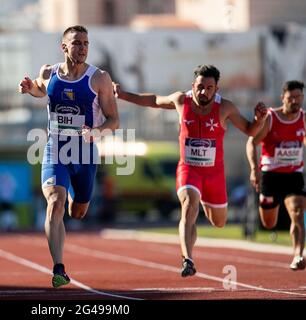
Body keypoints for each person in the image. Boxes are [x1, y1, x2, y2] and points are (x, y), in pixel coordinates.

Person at [113, 64, 267, 277]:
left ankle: (203, 199)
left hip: (214, 175)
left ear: (216, 89)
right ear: (192, 85)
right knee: (189, 205)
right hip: (189, 169)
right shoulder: (180, 100)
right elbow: (154, 100)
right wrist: (122, 95)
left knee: (219, 222)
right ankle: (188, 259)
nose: (204, 92)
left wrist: (259, 120)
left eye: (209, 88)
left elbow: (250, 130)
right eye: (200, 87)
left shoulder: (226, 108)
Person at [19, 25, 119, 288]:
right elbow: (42, 89)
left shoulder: (99, 79)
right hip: (56, 149)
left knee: (78, 212)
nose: (82, 48)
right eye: (76, 43)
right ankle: (59, 268)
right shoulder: (49, 72)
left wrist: (96, 132)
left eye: (86, 43)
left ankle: (75, 197)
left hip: (84, 153)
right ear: (64, 47)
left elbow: (114, 120)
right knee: (55, 201)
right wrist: (30, 88)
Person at [246, 80, 305, 271]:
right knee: (268, 223)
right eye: (291, 98)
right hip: (270, 175)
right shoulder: (271, 118)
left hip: (294, 174)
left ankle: (298, 255)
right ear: (283, 98)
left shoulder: (304, 118)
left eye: (298, 98)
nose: (295, 101)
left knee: (297, 212)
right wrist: (254, 169)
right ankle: (272, 209)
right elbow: (251, 143)